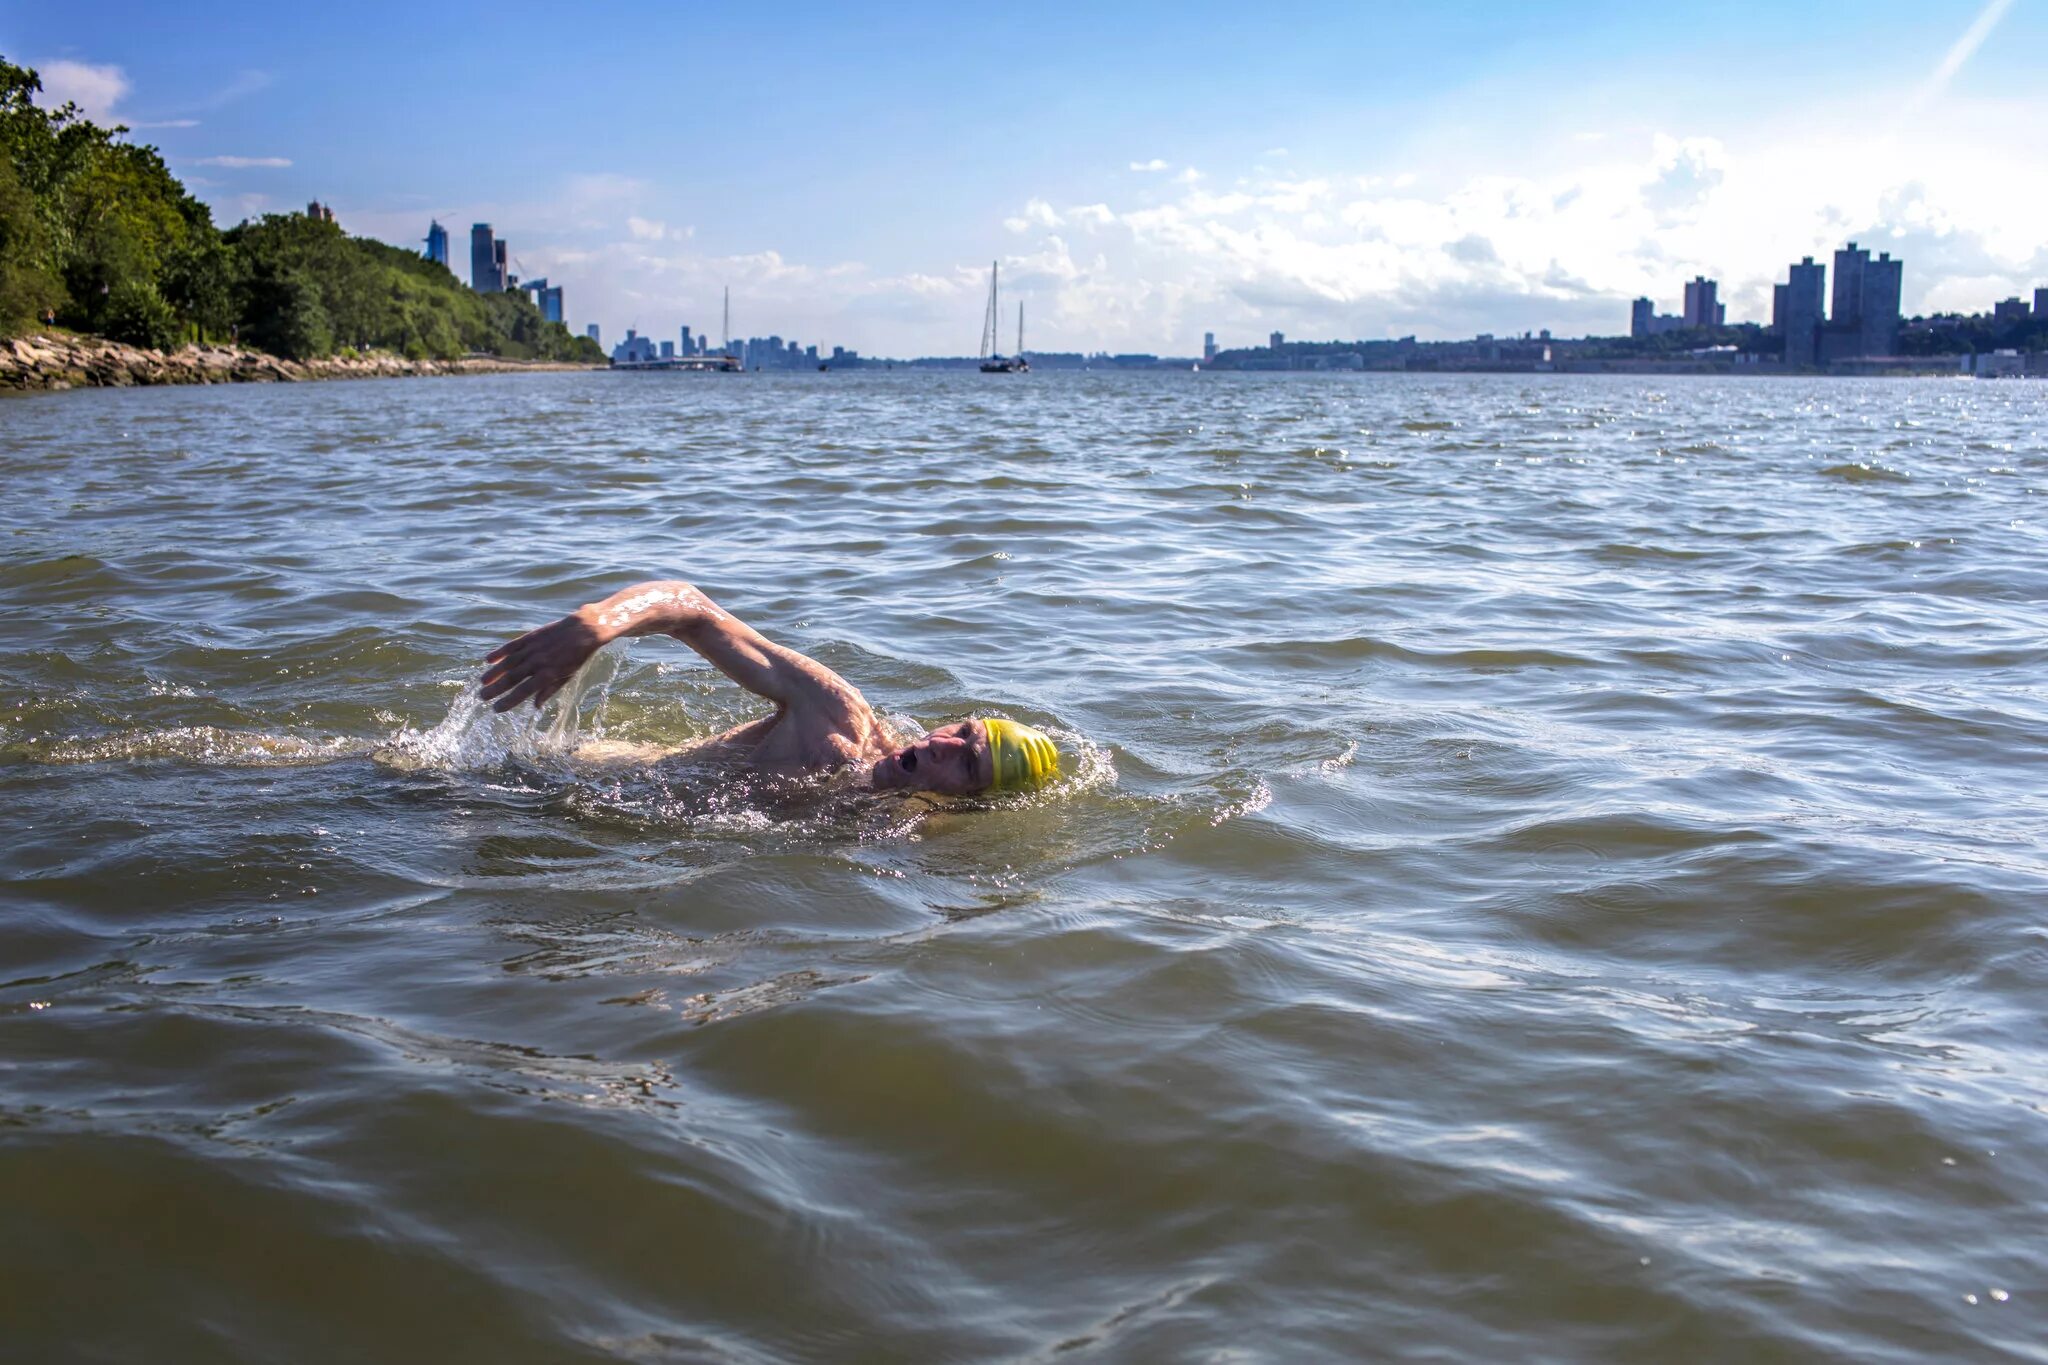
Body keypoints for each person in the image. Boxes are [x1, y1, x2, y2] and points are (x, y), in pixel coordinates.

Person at [479, 578, 1058, 796]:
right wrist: (594, 626)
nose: (943, 744)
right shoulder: (836, 719)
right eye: (962, 730)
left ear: (970, 803)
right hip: (559, 778)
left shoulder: (901, 837)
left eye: (968, 763)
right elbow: (694, 610)